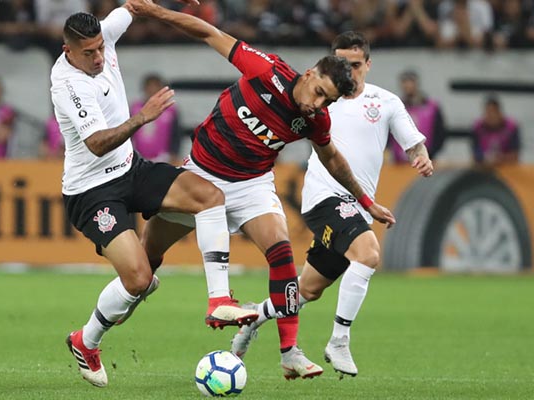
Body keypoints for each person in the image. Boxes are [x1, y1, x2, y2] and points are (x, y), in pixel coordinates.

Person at [126, 0, 396, 380]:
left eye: (327, 101)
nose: (316, 105)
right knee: (142, 267)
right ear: (308, 73)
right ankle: (93, 333)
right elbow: (207, 31)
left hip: (251, 184)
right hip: (202, 175)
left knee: (281, 250)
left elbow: (333, 158)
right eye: (317, 92)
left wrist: (367, 201)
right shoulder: (265, 70)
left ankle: (289, 352)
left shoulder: (315, 119)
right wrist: (155, 13)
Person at [50, 4, 257, 388]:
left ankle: (218, 300)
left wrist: (170, 7)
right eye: (89, 53)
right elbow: (96, 143)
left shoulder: (104, 35)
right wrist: (143, 117)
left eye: (100, 48)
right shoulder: (67, 85)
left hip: (131, 169)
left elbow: (133, 6)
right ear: (68, 51)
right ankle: (86, 341)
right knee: (138, 280)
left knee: (209, 197)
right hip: (91, 192)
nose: (99, 57)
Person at [230, 31, 434, 378]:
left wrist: (422, 157)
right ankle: (339, 340)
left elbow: (412, 142)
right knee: (368, 253)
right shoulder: (322, 101)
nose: (348, 71)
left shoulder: (386, 103)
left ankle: (254, 316)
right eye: (341, 63)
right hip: (324, 197)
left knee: (309, 289)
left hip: (356, 205)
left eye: (355, 64)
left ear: (368, 64)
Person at [389, 69, 446, 162]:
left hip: (426, 160)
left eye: (410, 82)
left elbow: (440, 133)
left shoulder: (431, 107)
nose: (407, 86)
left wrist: (432, 153)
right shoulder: (394, 107)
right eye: (404, 82)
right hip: (399, 163)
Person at [130, 73, 182, 164]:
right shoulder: (135, 108)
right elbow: (129, 133)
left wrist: (174, 153)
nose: (152, 90)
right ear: (144, 89)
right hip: (139, 158)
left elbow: (176, 134)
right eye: (149, 87)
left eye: (156, 87)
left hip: (163, 158)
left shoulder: (170, 109)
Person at [471, 95, 520, 164]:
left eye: (493, 112)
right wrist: (486, 158)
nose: (490, 115)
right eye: (487, 112)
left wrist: (500, 158)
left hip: (507, 167)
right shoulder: (478, 127)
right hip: (485, 166)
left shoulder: (511, 127)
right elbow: (475, 154)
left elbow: (515, 155)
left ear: (499, 112)